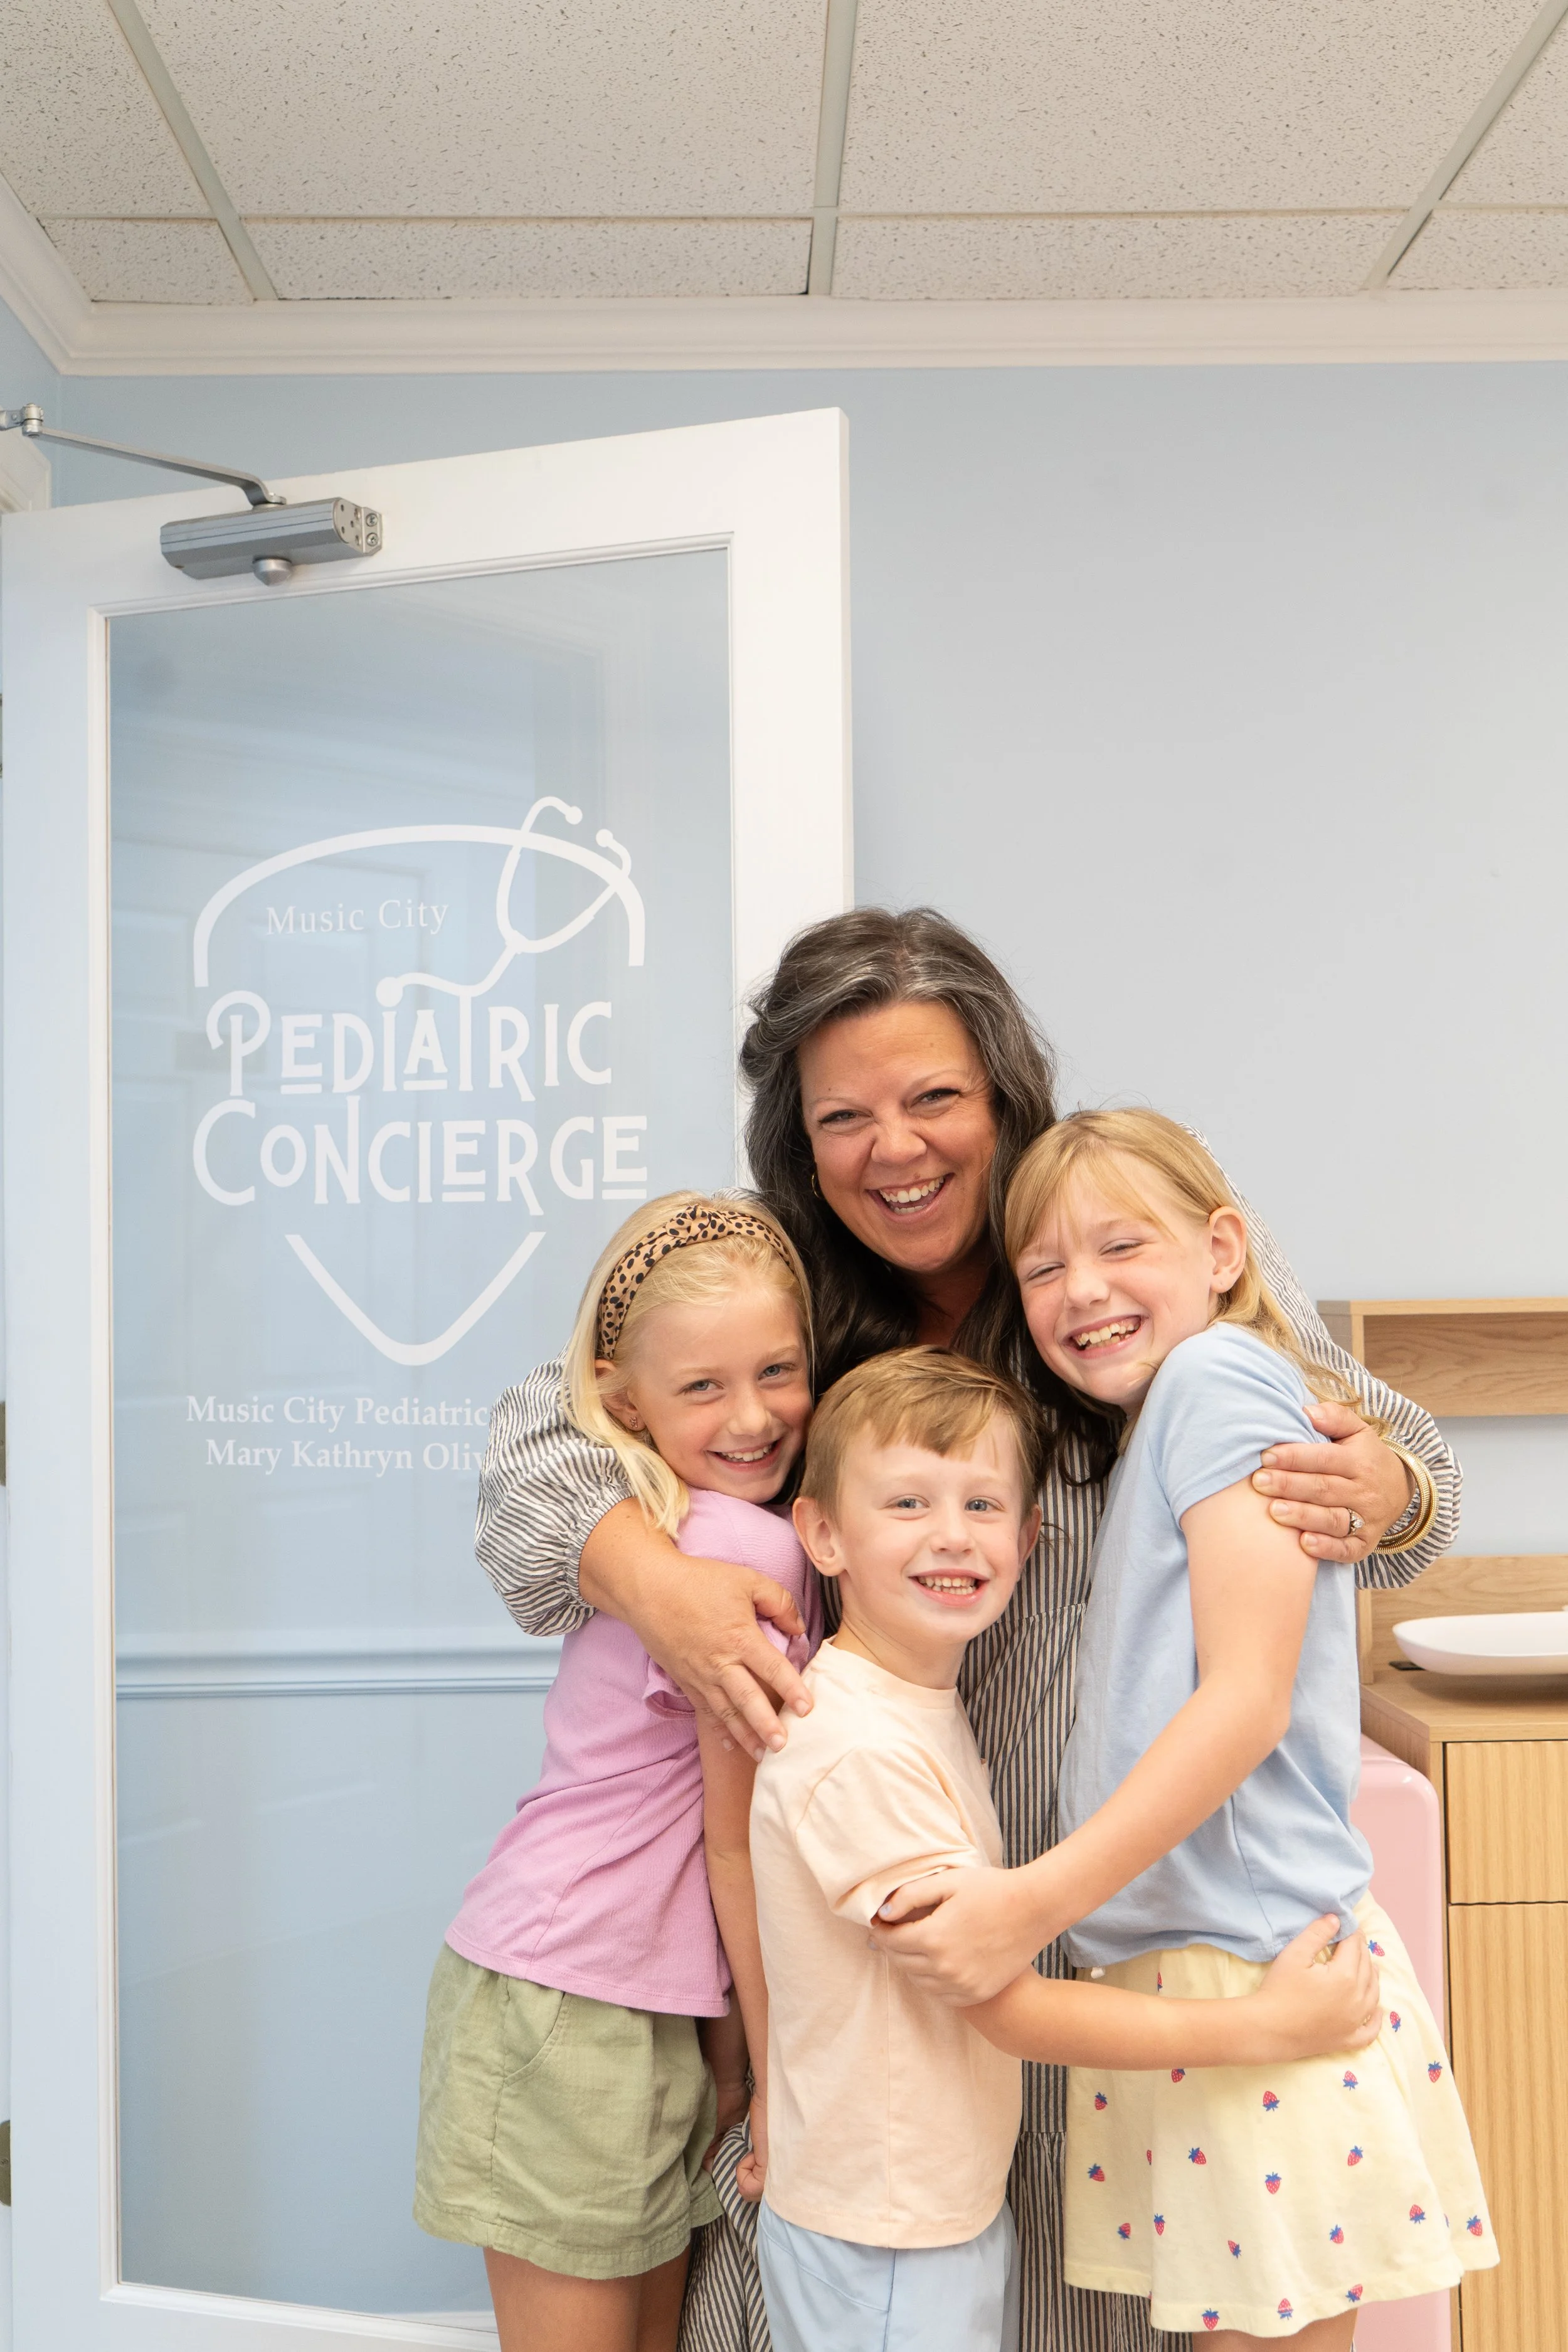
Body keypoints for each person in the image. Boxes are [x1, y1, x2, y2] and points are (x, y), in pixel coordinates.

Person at [474, 907, 1461, 2352]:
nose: (896, 1146)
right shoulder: (785, 1302)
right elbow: (534, 1445)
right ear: (795, 1145)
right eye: (842, 1116)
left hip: (1111, 1914)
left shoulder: (1109, 1269)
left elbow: (1388, 1459)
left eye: (934, 1098)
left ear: (1003, 1098)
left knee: (1088, 2286)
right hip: (877, 1921)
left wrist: (1388, 1480)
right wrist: (656, 1578)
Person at [752, 1346, 1384, 2352]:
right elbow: (1008, 2005)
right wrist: (1261, 2027)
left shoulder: (913, 1710)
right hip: (883, 2229)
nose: (951, 1535)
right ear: (823, 1532)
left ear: (1033, 1534)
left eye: (983, 1504)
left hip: (924, 2207)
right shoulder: (856, 1751)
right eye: (907, 1504)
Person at [987, 1111, 1494, 2346]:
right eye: (1042, 1268)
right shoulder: (1177, 1406)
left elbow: (1243, 1699)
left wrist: (1035, 1900)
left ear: (1221, 1248)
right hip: (1199, 1962)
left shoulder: (1216, 1380)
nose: (1081, 1289)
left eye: (1118, 1246)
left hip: (1245, 1958)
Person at [416, 1195, 820, 2352]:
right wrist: (770, 2059)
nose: (753, 1417)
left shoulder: (677, 1514)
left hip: (607, 1989)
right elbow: (737, 1844)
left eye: (778, 1371)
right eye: (703, 1388)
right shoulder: (746, 1546)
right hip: (575, 1999)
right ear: (622, 1398)